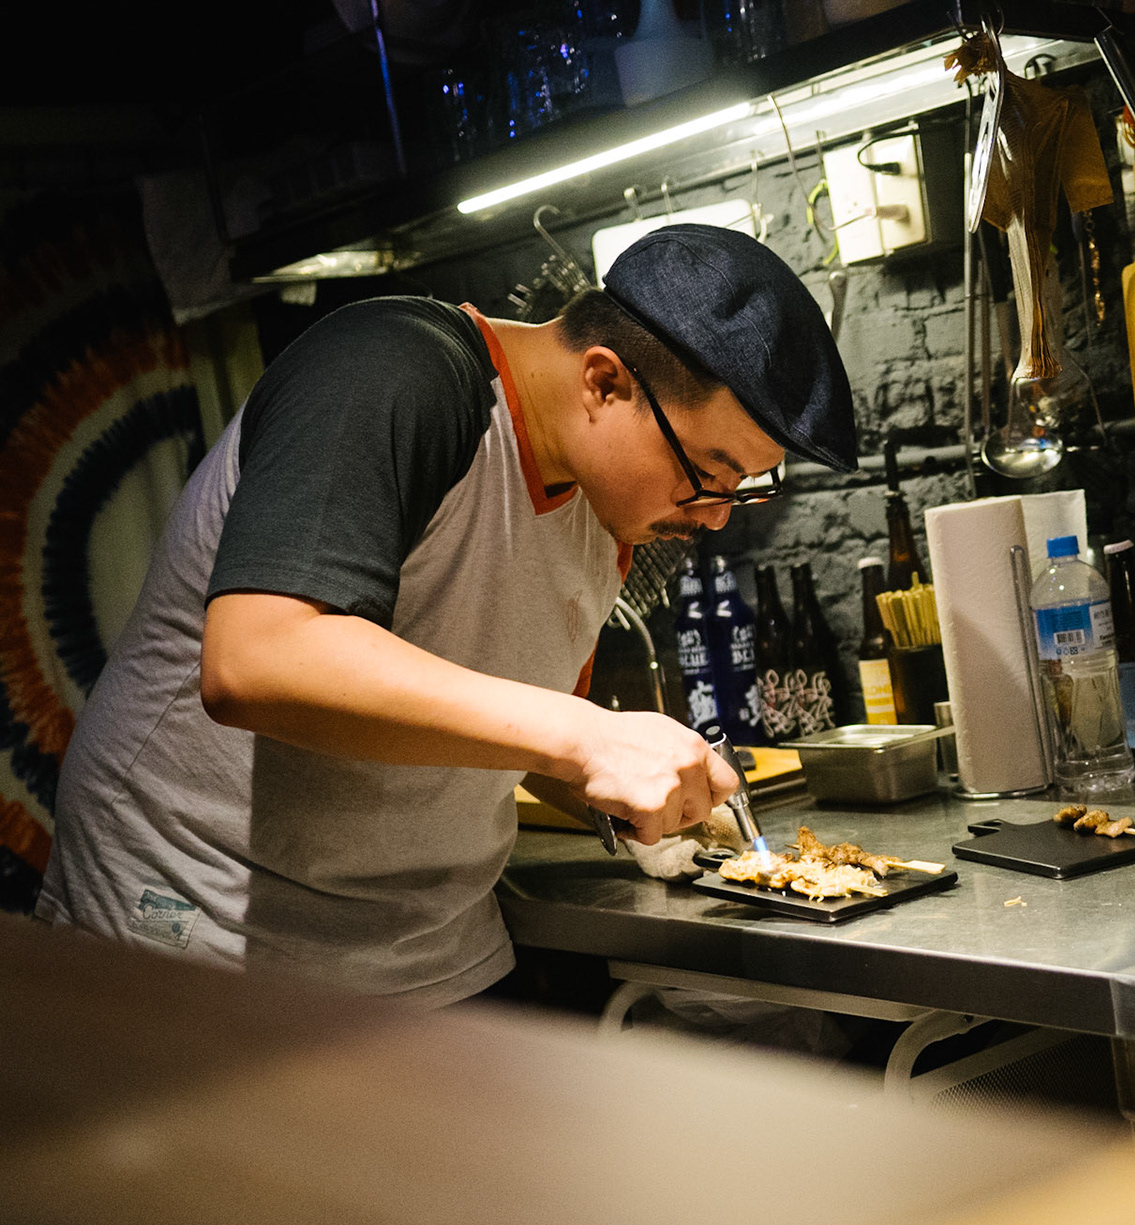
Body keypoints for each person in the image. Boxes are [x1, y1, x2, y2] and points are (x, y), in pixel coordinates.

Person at [35, 224, 856, 1003]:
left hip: (429, 951)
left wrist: (634, 795)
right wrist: (589, 737)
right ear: (603, 382)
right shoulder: (392, 371)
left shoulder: (607, 512)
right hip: (197, 931)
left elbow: (492, 724)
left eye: (743, 486)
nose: (715, 514)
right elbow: (258, 658)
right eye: (709, 471)